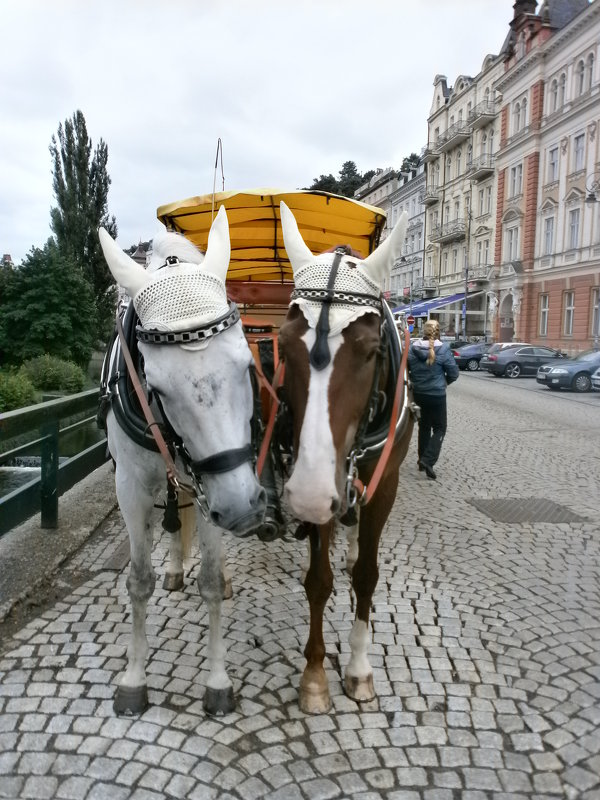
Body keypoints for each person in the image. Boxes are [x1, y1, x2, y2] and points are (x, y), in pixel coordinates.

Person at [408, 319, 458, 480]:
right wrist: (444, 383)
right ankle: (428, 460)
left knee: (424, 426)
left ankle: (421, 460)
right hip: (437, 395)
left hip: (419, 393)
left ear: (423, 331)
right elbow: (453, 373)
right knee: (439, 428)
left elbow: (406, 369)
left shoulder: (412, 349)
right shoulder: (443, 349)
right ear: (438, 332)